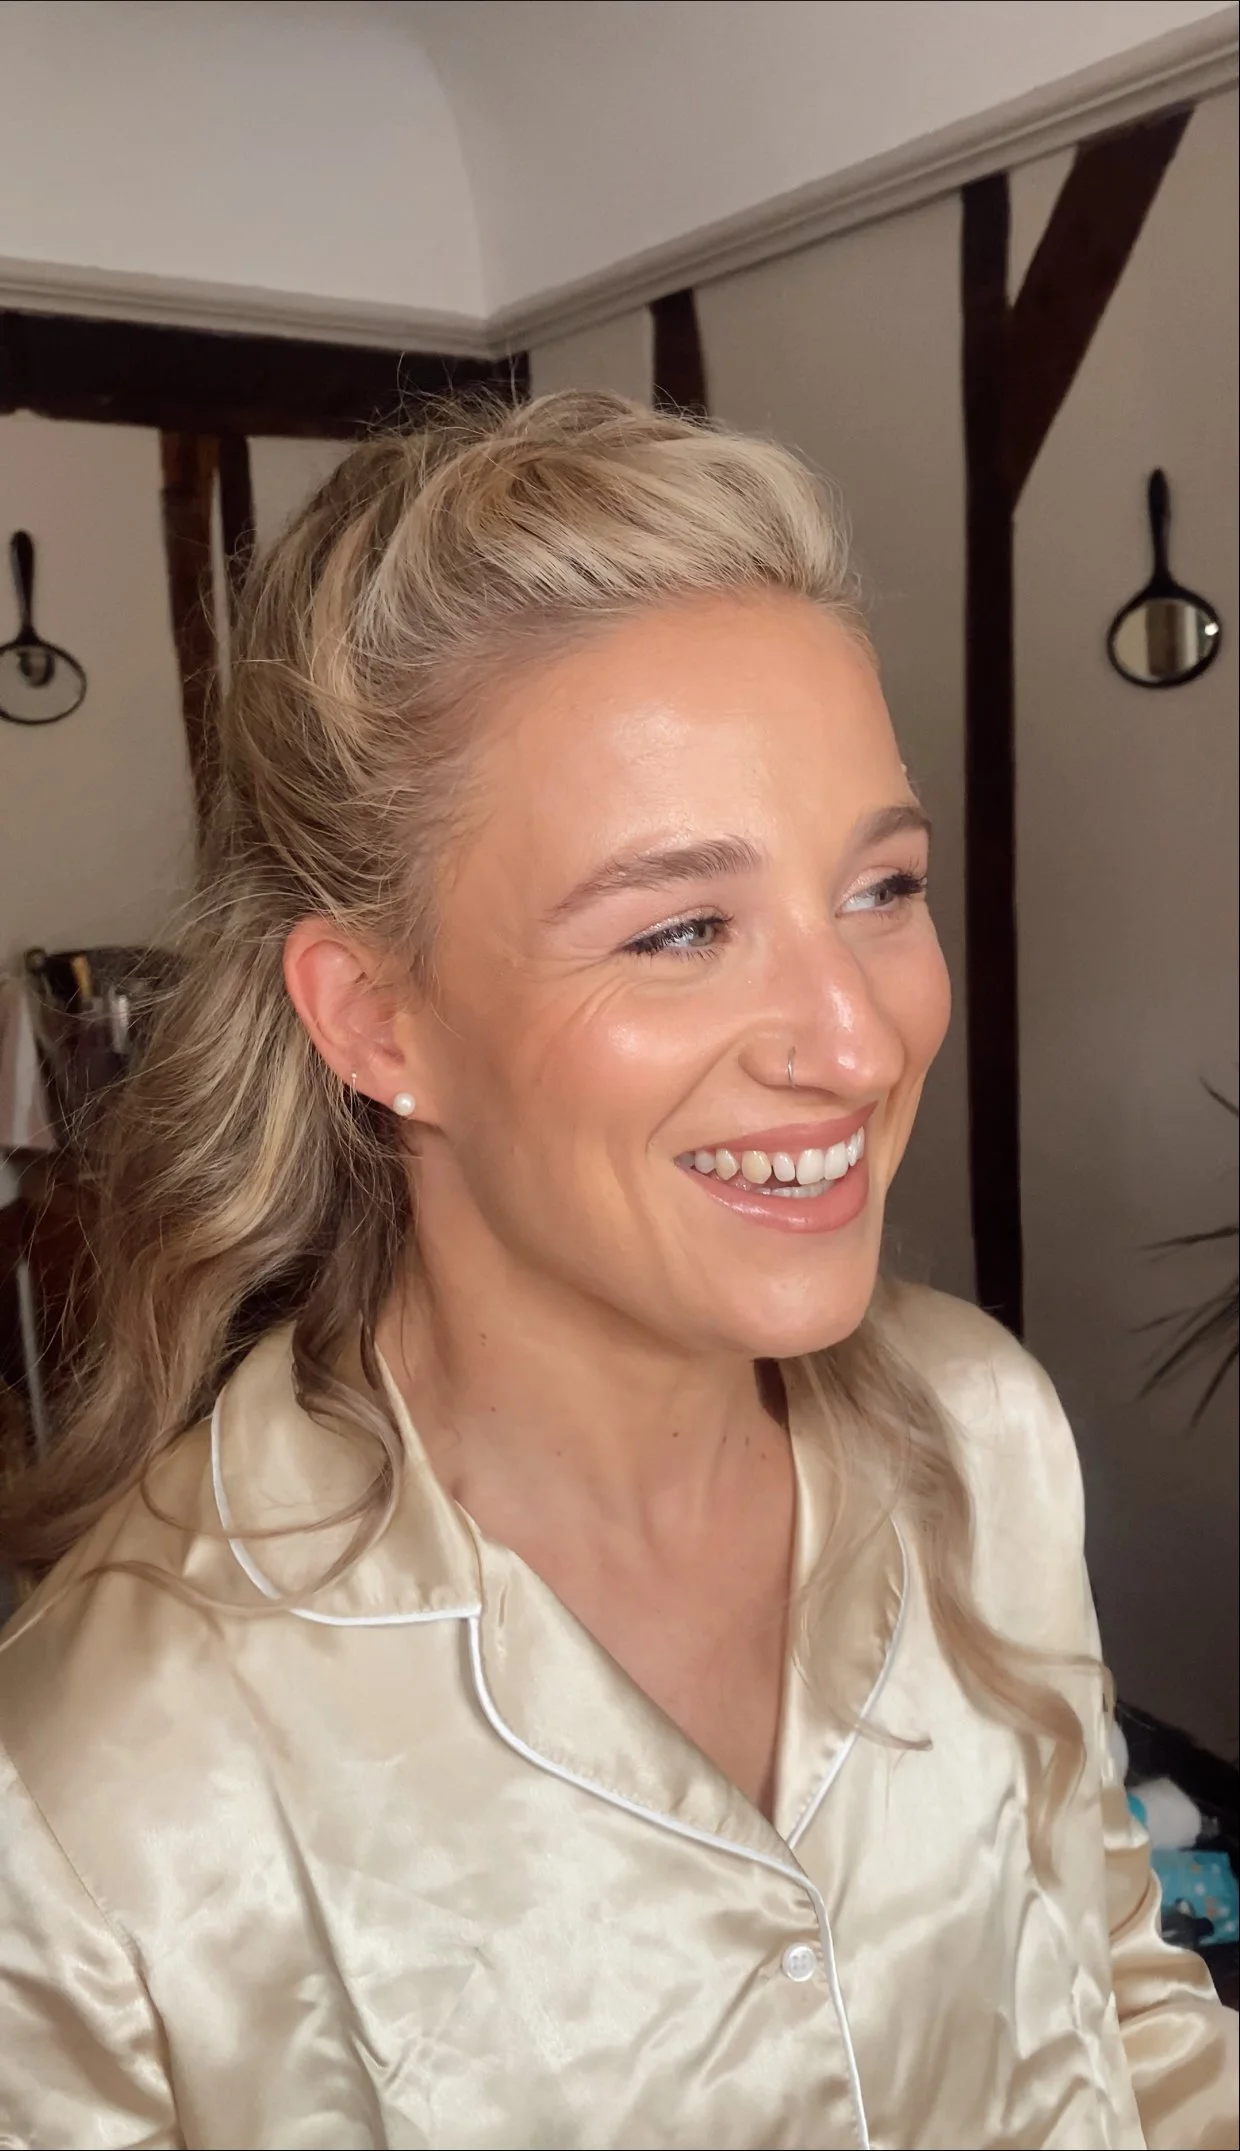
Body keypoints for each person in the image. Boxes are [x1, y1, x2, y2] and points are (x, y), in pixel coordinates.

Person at [0, 394, 1234, 2151]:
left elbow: (1120, 1996)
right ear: (378, 1018)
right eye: (680, 928)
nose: (856, 1039)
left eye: (881, 887)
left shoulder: (981, 1428)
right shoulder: (97, 1786)